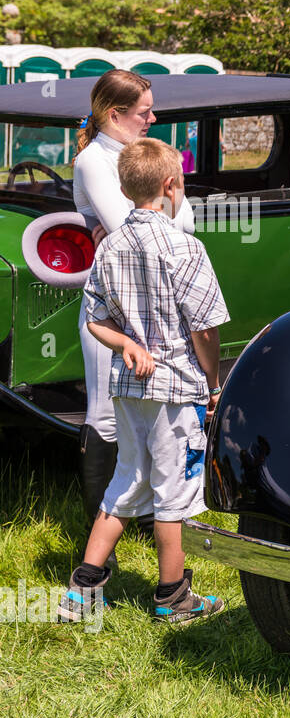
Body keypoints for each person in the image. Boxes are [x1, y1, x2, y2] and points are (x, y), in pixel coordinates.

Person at [58, 138, 228, 625]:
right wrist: (213, 384)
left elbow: (94, 319)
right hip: (177, 391)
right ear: (172, 185)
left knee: (126, 483)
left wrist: (125, 345)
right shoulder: (185, 247)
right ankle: (173, 596)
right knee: (173, 495)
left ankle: (82, 591)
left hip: (129, 389)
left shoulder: (109, 244)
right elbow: (207, 329)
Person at [72, 69, 197, 532]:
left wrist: (175, 211)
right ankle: (101, 521)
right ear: (114, 115)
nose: (153, 118)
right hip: (115, 311)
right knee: (106, 414)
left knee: (155, 406)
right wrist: (176, 208)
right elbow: (141, 231)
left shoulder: (135, 156)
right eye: (144, 112)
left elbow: (175, 223)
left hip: (158, 305)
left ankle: (147, 516)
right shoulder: (93, 162)